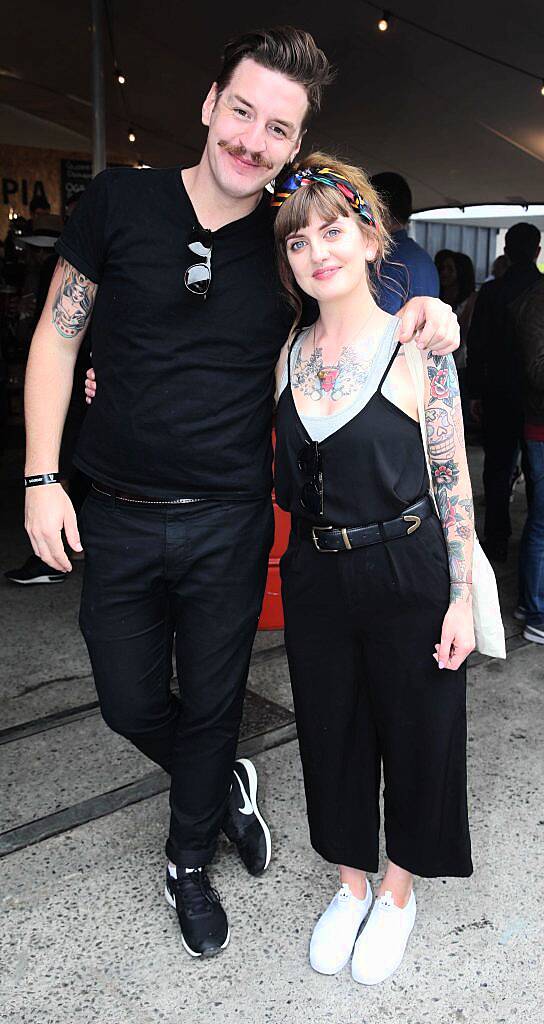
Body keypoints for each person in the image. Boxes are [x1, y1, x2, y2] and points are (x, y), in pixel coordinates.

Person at [24, 27, 460, 959]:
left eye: (277, 128)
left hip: (229, 520)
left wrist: (434, 306)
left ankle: (188, 858)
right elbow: (62, 338)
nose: (252, 139)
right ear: (210, 103)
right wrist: (40, 476)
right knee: (128, 701)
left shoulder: (283, 242)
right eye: (243, 112)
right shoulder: (119, 202)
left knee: (216, 701)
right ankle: (220, 785)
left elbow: (359, 297)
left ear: (294, 146)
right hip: (117, 510)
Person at [272, 155, 475, 984]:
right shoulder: (283, 352)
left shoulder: (416, 340)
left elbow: (453, 473)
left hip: (408, 566)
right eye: (296, 241)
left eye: (332, 231)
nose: (316, 252)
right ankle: (351, 880)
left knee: (420, 731)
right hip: (317, 574)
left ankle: (398, 889)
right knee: (331, 730)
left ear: (367, 236)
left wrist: (462, 594)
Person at [467, 223, 541, 562]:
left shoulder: (492, 292)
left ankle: (496, 539)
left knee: (497, 469)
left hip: (498, 391)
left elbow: (476, 346)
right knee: (536, 475)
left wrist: (475, 393)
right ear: (537, 251)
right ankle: (532, 543)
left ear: (506, 252)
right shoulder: (541, 289)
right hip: (536, 398)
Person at [512, 278, 544, 644]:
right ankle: (536, 612)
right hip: (540, 427)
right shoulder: (537, 300)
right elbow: (537, 370)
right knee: (541, 522)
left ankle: (529, 601)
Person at [369, 171, 440, 314]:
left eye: (364, 207)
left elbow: (377, 329)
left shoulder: (388, 261)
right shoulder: (424, 259)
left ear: (380, 209)